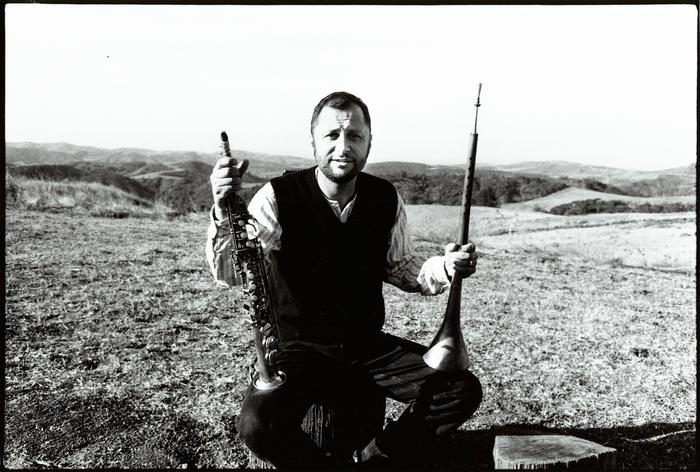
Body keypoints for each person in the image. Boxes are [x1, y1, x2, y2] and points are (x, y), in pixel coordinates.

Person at [206, 91, 482, 468]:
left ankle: (380, 456)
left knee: (459, 389)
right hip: (298, 349)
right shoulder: (278, 196)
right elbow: (230, 273)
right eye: (331, 136)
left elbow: (400, 267)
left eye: (354, 136)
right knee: (257, 425)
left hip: (367, 348)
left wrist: (446, 266)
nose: (343, 146)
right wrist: (223, 211)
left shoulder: (385, 198)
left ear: (369, 142)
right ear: (314, 142)